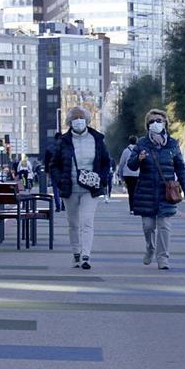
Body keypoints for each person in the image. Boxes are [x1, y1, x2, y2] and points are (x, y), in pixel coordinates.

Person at [126, 108, 185, 270]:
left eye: (158, 121)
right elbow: (131, 165)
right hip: (146, 191)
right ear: (147, 125)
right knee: (148, 226)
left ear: (165, 124)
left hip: (166, 192)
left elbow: (180, 169)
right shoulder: (142, 143)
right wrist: (138, 159)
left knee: (164, 225)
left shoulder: (172, 144)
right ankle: (150, 248)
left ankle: (163, 258)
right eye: (151, 122)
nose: (155, 124)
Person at [52, 106, 112, 270]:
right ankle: (76, 253)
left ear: (87, 120)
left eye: (81, 118)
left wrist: (103, 179)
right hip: (69, 188)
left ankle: (86, 255)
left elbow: (106, 162)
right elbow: (54, 164)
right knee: (73, 223)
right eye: (75, 118)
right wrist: (60, 181)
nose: (78, 121)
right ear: (69, 122)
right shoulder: (63, 141)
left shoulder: (97, 139)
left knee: (87, 222)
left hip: (90, 188)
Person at [117, 136, 141, 212]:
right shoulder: (140, 150)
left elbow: (121, 164)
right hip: (138, 174)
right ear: (137, 141)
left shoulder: (125, 151)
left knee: (131, 191)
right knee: (137, 191)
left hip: (127, 174)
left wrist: (121, 176)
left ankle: (132, 209)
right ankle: (137, 207)